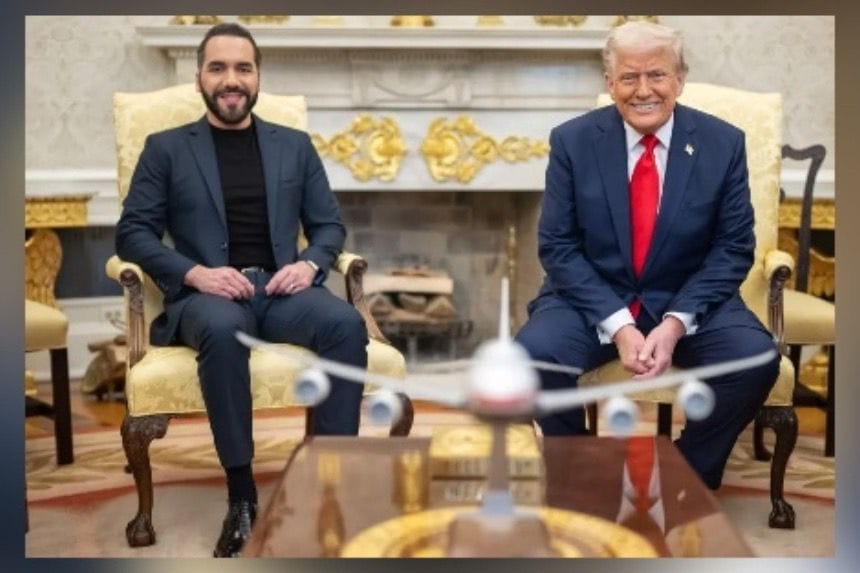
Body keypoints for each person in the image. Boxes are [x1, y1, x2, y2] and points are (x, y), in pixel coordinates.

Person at [115, 23, 367, 557]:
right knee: (225, 329)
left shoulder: (294, 146)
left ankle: (329, 487)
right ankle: (242, 496)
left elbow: (328, 226)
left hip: (281, 291)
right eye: (218, 68)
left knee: (346, 324)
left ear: (257, 77)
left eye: (242, 68)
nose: (231, 79)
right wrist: (194, 274)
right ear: (199, 78)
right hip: (206, 298)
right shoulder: (165, 149)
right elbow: (133, 233)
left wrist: (310, 263)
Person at [515, 21, 779, 490]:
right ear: (609, 82)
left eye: (656, 75)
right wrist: (619, 325)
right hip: (592, 297)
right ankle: (578, 470)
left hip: (688, 295)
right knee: (532, 357)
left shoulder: (722, 144)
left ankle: (683, 473)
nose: (643, 91)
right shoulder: (573, 141)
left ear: (679, 78)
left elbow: (733, 247)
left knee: (754, 359)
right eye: (628, 77)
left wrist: (675, 322)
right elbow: (558, 245)